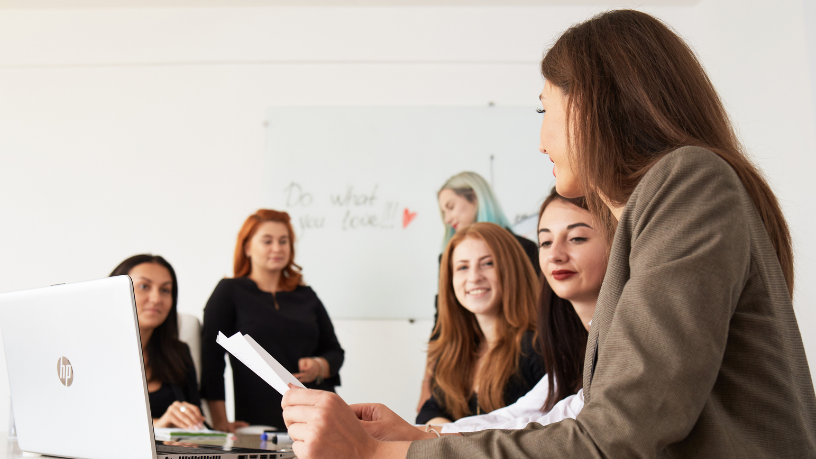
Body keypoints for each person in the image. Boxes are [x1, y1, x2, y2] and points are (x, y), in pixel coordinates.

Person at [279, 9, 816, 459]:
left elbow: (615, 435)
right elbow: (593, 424)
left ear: (592, 103)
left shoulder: (687, 180)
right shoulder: (673, 199)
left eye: (544, 109)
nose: (539, 141)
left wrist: (380, 453)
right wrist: (419, 439)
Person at [437, 187, 606, 433]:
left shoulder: (535, 347)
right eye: (545, 242)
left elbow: (548, 428)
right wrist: (426, 432)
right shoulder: (567, 340)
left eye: (576, 238)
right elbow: (520, 414)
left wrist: (429, 436)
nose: (554, 255)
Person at [199, 209, 345, 432]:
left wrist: (319, 366)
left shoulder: (306, 295)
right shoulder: (229, 292)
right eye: (267, 241)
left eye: (283, 241)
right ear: (247, 247)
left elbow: (335, 352)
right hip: (259, 422)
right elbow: (211, 360)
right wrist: (220, 421)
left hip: (317, 416)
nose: (277, 248)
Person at [418, 172, 542, 411]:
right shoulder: (459, 353)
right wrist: (427, 384)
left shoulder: (533, 349)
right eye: (462, 267)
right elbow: (441, 323)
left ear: (475, 199)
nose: (447, 218)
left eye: (451, 207)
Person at [110, 254, 206, 430]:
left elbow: (198, 421)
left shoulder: (178, 353)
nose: (156, 299)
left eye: (165, 290)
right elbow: (88, 421)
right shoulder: (90, 353)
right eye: (144, 286)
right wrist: (158, 426)